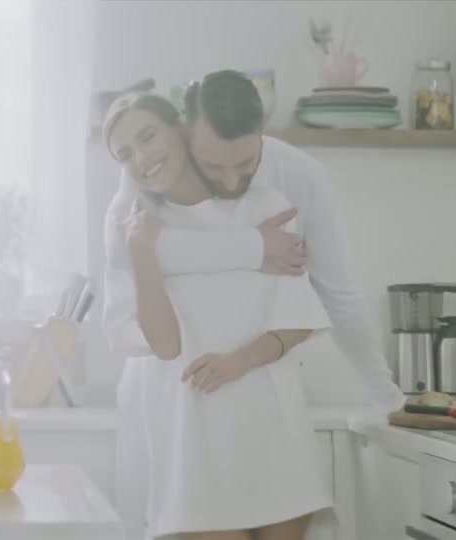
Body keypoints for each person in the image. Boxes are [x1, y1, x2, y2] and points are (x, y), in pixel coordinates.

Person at [102, 91, 334, 540]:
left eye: (147, 136)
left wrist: (240, 360)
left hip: (271, 425)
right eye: (124, 154)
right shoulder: (137, 230)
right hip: (192, 438)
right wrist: (141, 251)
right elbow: (165, 345)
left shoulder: (264, 208)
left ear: (180, 129)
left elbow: (299, 316)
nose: (141, 157)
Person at [105, 69, 405, 413]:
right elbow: (130, 251)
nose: (231, 181)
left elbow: (334, 294)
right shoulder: (145, 177)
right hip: (164, 393)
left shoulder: (296, 178)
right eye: (213, 166)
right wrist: (255, 248)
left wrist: (385, 396)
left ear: (263, 128)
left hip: (255, 392)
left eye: (246, 163)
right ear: (185, 131)